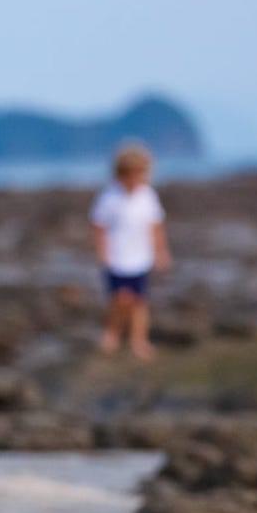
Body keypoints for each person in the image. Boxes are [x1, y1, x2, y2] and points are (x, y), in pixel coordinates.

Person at [88, 142, 172, 360]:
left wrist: (160, 252)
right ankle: (112, 333)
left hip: (140, 258)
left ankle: (139, 340)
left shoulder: (148, 196)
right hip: (117, 258)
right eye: (130, 174)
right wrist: (102, 252)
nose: (134, 179)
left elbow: (155, 226)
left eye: (139, 173)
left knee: (139, 302)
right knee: (119, 299)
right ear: (119, 174)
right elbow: (99, 226)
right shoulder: (109, 197)